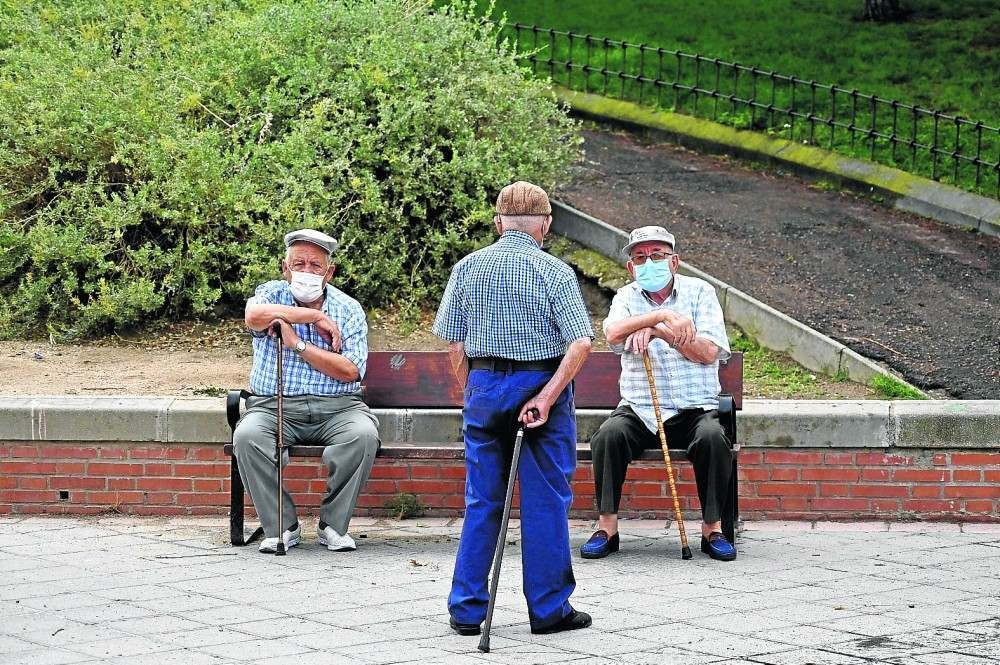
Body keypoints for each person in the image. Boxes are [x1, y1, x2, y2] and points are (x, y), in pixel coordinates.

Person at [433, 181, 595, 636]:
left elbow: (454, 343)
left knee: (483, 499)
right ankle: (548, 610)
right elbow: (580, 343)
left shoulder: (467, 267)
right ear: (544, 225)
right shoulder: (554, 272)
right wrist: (544, 397)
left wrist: (476, 389)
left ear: (499, 222)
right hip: (540, 383)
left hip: (485, 385)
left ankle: (466, 608)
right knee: (545, 500)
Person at [581, 225, 737, 561]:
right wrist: (659, 317)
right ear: (630, 267)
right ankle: (607, 526)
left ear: (674, 261)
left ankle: (713, 529)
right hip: (640, 409)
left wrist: (658, 332)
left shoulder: (700, 293)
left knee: (712, 437)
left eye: (656, 255)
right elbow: (612, 333)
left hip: (694, 409)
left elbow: (708, 352)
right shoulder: (626, 297)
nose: (648, 262)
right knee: (608, 436)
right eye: (640, 258)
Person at [234, 228, 380, 554]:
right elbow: (253, 316)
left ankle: (332, 525)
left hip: (338, 407)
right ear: (285, 268)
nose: (307, 272)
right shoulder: (271, 294)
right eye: (299, 263)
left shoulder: (349, 308)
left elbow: (351, 372)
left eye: (316, 266)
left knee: (363, 435)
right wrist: (313, 316)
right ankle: (282, 525)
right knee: (247, 436)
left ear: (330, 272)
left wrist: (298, 344)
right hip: (275, 406)